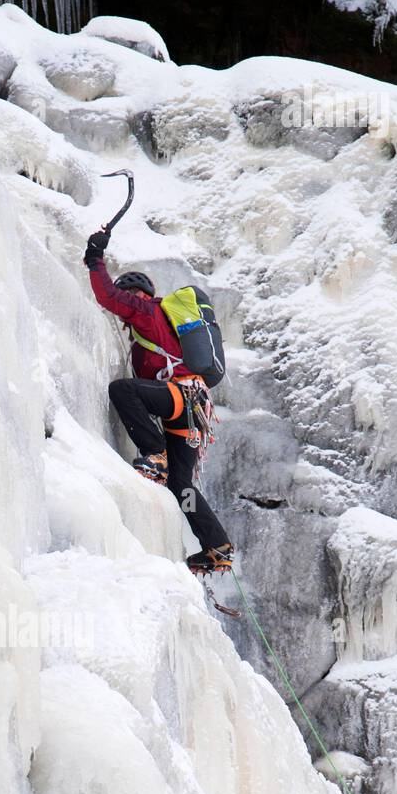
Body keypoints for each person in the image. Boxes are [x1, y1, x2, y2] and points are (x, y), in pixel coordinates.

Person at [83, 228, 233, 573]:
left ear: (135, 294)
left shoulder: (147, 310)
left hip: (183, 396)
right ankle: (216, 545)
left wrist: (94, 258)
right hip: (193, 410)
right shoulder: (154, 328)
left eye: (128, 300)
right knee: (181, 486)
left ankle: (155, 456)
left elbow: (106, 296)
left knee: (123, 390)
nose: (124, 313)